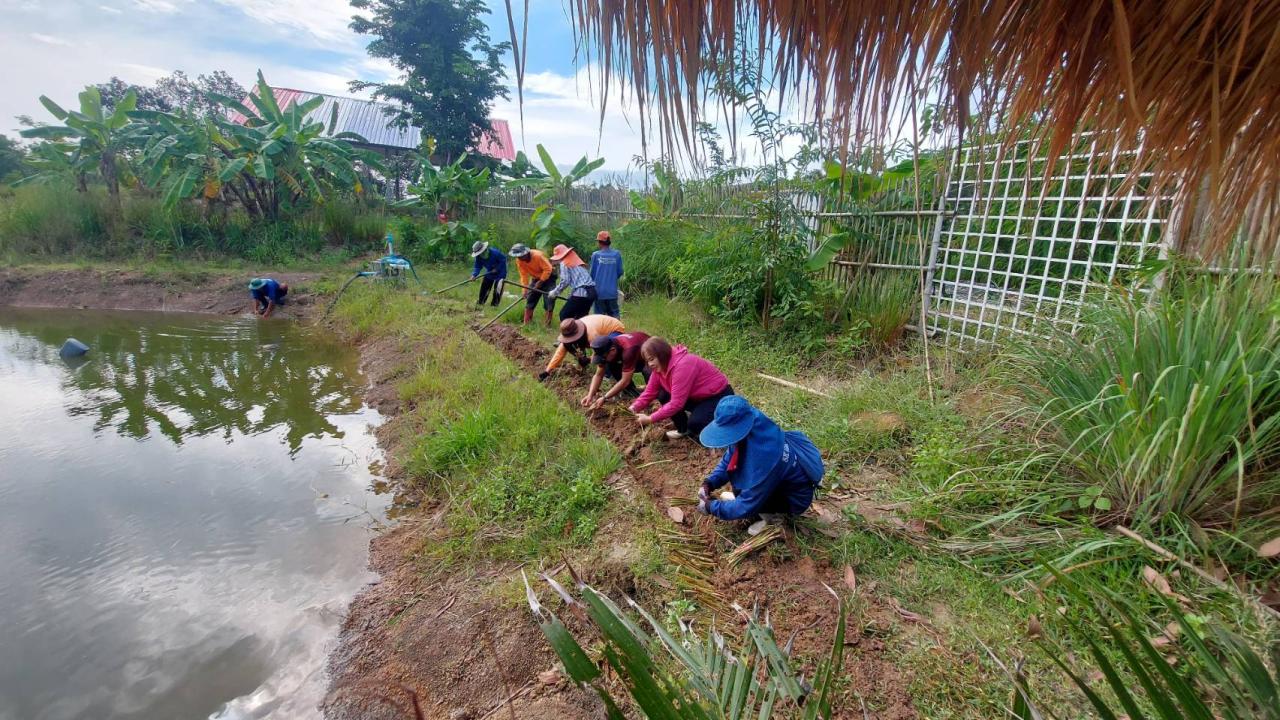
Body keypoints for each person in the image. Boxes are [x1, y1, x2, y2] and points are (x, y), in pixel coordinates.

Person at [696, 396, 825, 535]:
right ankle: (761, 507)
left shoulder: (767, 460)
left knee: (742, 491)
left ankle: (774, 518)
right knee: (740, 488)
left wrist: (711, 507)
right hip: (780, 481)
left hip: (793, 498)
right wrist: (710, 482)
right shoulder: (752, 423)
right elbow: (730, 458)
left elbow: (746, 505)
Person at [629, 336, 735, 440]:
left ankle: (721, 425)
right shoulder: (660, 367)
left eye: (652, 359)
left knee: (696, 423)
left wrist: (650, 419)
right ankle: (683, 430)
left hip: (718, 396)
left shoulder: (683, 366)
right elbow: (650, 391)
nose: (650, 364)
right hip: (698, 397)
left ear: (662, 354)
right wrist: (633, 408)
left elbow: (676, 403)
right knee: (663, 395)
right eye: (647, 361)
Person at [539, 315, 624, 381]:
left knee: (608, 353)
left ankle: (608, 376)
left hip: (614, 328)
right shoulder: (571, 332)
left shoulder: (591, 334)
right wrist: (547, 371)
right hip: (598, 328)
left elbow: (599, 353)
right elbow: (559, 353)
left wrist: (589, 360)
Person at [581, 330, 651, 409]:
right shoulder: (607, 348)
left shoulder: (628, 351)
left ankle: (653, 396)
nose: (603, 361)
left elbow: (625, 381)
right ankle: (631, 393)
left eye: (603, 358)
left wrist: (605, 397)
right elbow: (598, 375)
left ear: (613, 350)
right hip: (635, 356)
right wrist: (590, 395)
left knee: (648, 371)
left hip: (650, 358)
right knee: (611, 365)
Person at [510, 243, 557, 326]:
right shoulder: (519, 261)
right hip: (536, 278)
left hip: (549, 277)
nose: (519, 258)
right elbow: (523, 275)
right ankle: (527, 323)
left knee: (549, 299)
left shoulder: (537, 256)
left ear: (526, 253)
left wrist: (541, 282)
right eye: (517, 256)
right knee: (530, 298)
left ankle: (547, 324)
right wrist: (525, 289)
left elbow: (548, 269)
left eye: (521, 256)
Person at [548, 243, 597, 321]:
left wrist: (555, 292)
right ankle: (582, 332)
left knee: (564, 315)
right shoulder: (575, 259)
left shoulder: (564, 262)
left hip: (582, 292)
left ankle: (569, 332)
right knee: (581, 319)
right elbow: (579, 281)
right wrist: (571, 295)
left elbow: (565, 281)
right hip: (591, 292)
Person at [588, 230, 623, 318]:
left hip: (599, 292)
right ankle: (617, 331)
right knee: (614, 315)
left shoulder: (595, 255)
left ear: (600, 242)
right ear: (609, 242)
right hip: (612, 292)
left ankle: (601, 331)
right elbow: (620, 272)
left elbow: (591, 274)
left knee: (599, 317)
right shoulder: (616, 254)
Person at [469, 240, 508, 307]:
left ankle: (494, 305)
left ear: (484, 249)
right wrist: (474, 275)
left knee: (498, 287)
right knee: (485, 285)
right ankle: (481, 302)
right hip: (490, 271)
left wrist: (497, 268)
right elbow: (477, 266)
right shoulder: (478, 257)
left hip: (500, 271)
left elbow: (503, 260)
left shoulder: (495, 253)